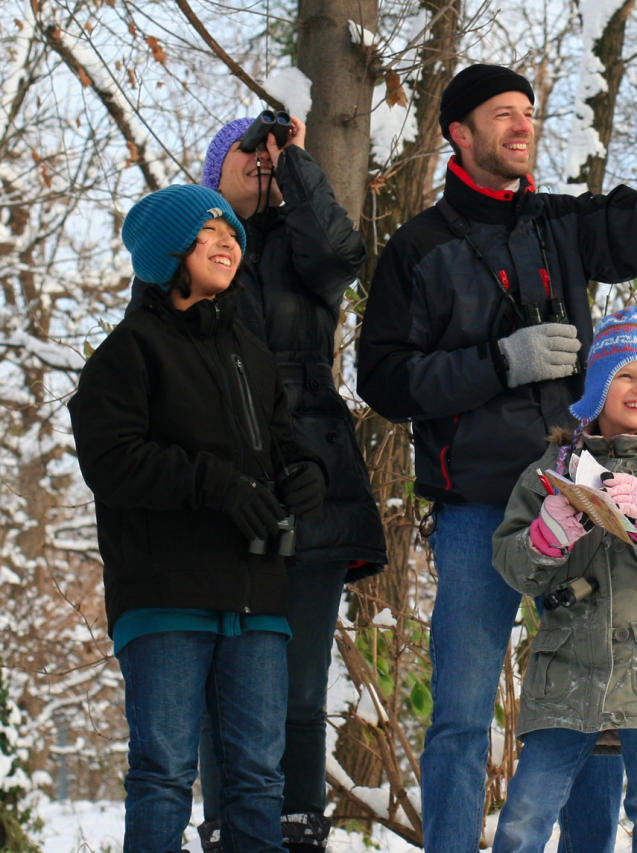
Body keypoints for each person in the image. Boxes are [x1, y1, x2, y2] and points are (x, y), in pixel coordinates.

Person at [356, 62, 637, 851]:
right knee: (462, 713)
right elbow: (384, 380)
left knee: (593, 707)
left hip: (579, 495)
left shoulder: (557, 226)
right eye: (503, 113)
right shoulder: (418, 249)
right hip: (477, 507)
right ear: (459, 132)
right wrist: (499, 361)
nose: (522, 126)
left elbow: (633, 227)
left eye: (528, 112)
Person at [141, 112, 387, 851]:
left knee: (300, 689)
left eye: (267, 150)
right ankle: (230, 834)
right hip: (221, 491)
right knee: (226, 693)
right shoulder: (184, 262)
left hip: (313, 476)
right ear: (211, 176)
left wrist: (297, 162)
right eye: (244, 151)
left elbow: (343, 253)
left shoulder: (301, 245)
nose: (259, 158)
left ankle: (299, 831)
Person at [69, 184, 328, 852]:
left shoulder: (252, 353)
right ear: (167, 253)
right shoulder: (127, 352)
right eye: (206, 232)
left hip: (256, 595)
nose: (226, 242)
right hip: (166, 595)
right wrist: (216, 485)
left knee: (258, 779)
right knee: (163, 774)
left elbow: (285, 446)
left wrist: (307, 474)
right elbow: (112, 462)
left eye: (231, 233)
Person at [489, 308, 637, 853]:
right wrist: (545, 537)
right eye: (626, 375)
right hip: (568, 667)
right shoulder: (553, 467)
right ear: (598, 386)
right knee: (525, 814)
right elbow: (512, 564)